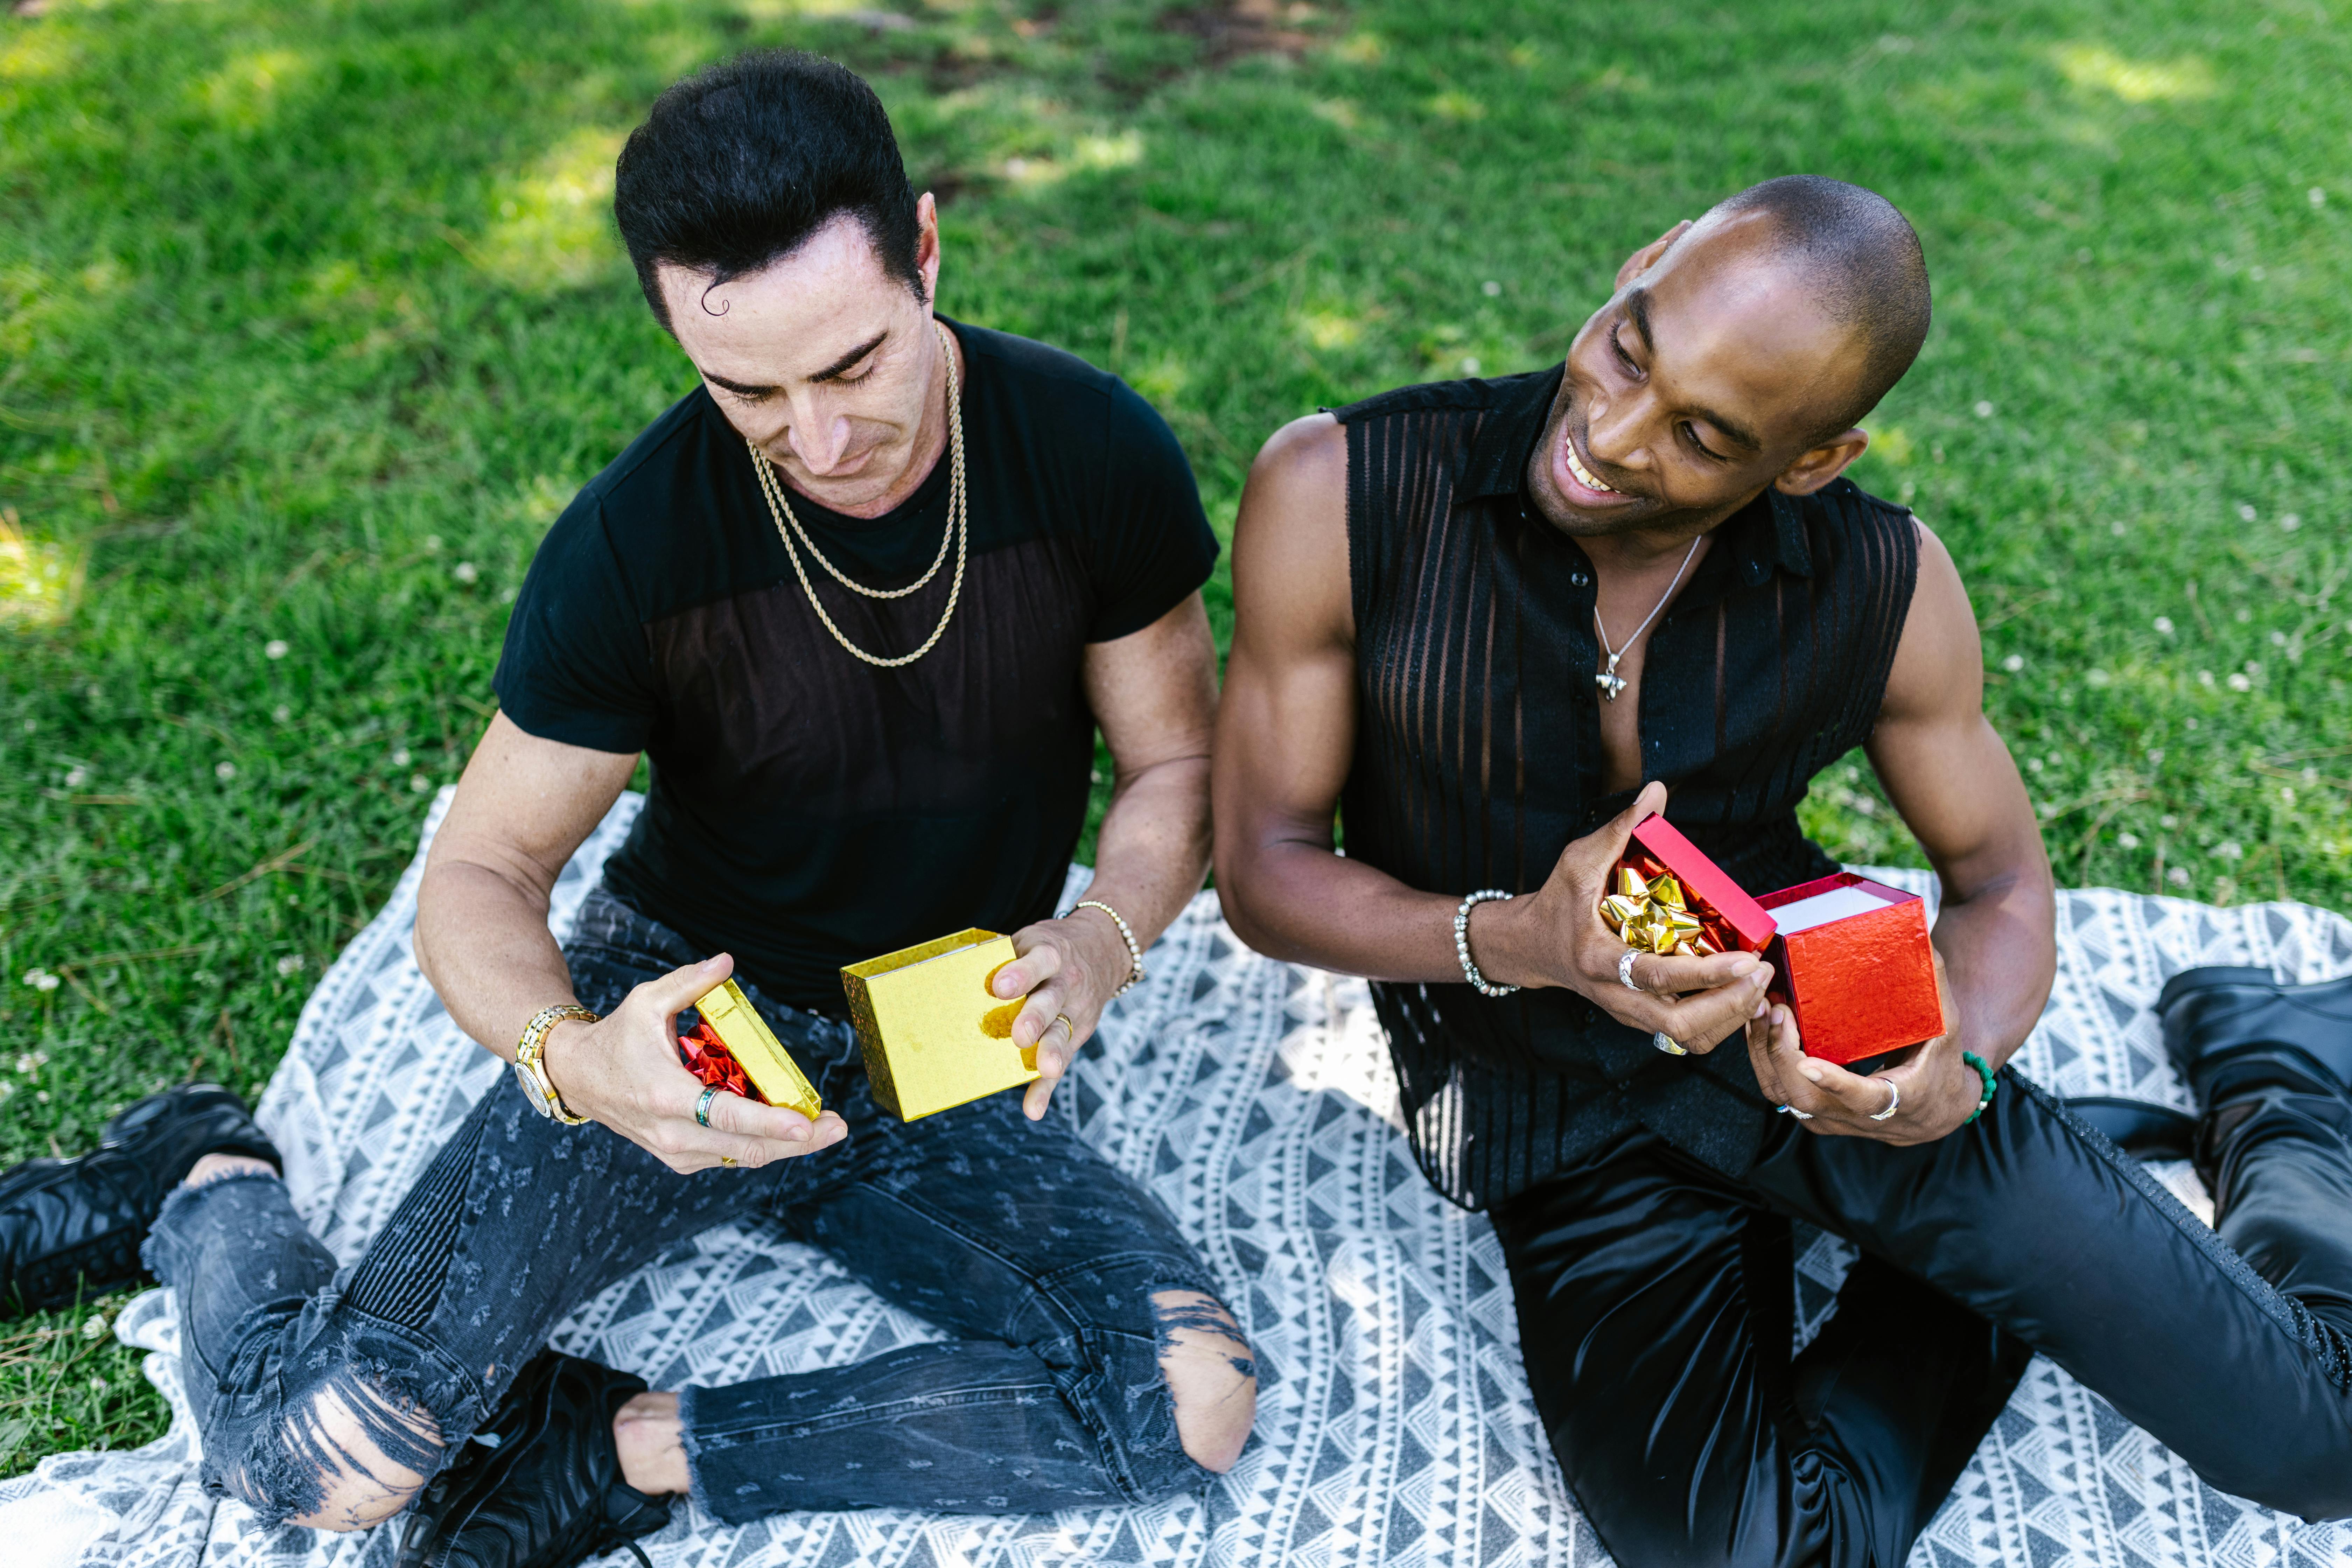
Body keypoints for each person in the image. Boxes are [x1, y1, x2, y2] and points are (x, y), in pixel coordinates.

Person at [0, 49, 1254, 1568]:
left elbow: (1177, 768)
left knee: (1186, 1401)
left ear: (925, 251)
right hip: (695, 1009)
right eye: (748, 390)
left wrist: (1110, 934)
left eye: (854, 363)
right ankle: (199, 1182)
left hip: (952, 1034)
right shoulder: (635, 544)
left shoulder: (1089, 450)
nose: (820, 438)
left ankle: (617, 1446)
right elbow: (479, 867)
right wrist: (576, 1052)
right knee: (315, 1465)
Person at [1210, 174, 2352, 1566]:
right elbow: (1265, 871)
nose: (1610, 437)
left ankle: (2282, 1078)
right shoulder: (1338, 490)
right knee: (1748, 1555)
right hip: (1559, 1117)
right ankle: (2015, 1242)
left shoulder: (1885, 580)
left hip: (1838, 1045)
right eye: (1631, 346)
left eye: (1704, 435)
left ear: (1811, 459)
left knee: (2318, 1438)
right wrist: (1527, 938)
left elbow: (1997, 880)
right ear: (1643, 265)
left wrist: (1959, 1072)